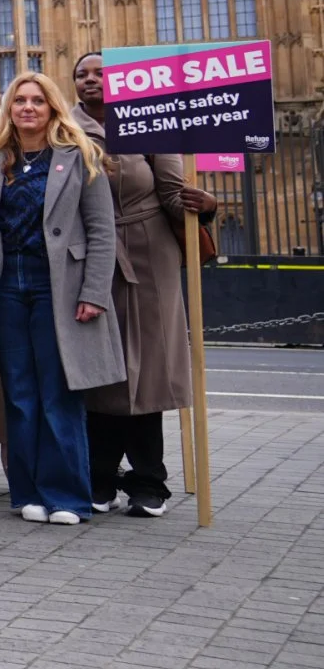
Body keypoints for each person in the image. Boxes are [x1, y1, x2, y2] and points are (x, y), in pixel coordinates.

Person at [0, 72, 124, 525]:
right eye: (20, 101)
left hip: (59, 284)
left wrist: (94, 292)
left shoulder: (80, 156)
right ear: (10, 110)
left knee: (58, 392)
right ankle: (28, 492)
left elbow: (101, 231)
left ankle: (67, 496)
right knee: (18, 394)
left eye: (37, 100)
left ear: (53, 107)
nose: (28, 108)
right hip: (7, 285)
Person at [73, 52, 208, 516]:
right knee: (99, 367)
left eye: (100, 73)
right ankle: (100, 478)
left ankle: (149, 480)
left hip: (149, 255)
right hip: (89, 255)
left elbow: (173, 193)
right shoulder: (63, 128)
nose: (91, 80)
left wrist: (204, 207)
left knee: (147, 370)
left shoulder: (151, 122)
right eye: (82, 75)